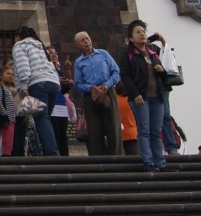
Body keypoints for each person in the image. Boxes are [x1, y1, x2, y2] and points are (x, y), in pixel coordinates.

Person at [118, 20, 171, 172]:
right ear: (131, 39)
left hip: (157, 97)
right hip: (141, 98)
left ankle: (160, 162)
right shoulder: (128, 55)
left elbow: (164, 76)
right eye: (138, 32)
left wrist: (161, 70)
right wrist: (135, 94)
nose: (142, 34)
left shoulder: (153, 53)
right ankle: (148, 162)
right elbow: (125, 76)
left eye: (143, 31)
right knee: (144, 130)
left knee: (156, 131)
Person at [11, 26, 60, 156]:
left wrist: (23, 87)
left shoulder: (20, 46)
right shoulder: (40, 46)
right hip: (54, 83)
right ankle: (50, 148)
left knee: (41, 119)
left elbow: (23, 68)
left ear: (19, 36)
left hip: (38, 83)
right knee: (46, 119)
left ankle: (51, 151)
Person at [73, 31, 122, 156]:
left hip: (107, 91)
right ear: (78, 45)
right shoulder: (79, 62)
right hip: (91, 96)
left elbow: (116, 72)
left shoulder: (103, 54)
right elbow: (77, 84)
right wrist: (91, 88)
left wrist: (107, 85)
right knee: (95, 130)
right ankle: (98, 159)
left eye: (87, 38)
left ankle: (116, 157)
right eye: (82, 40)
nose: (86, 42)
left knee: (113, 128)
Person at [148, 32, 182, 154]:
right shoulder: (134, 53)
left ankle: (170, 147)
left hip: (161, 88)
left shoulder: (154, 49)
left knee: (166, 116)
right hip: (147, 90)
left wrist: (162, 41)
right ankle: (154, 149)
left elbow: (167, 58)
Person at [46, 45, 71, 157]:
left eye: (55, 52)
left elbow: (65, 87)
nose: (54, 55)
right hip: (53, 106)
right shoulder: (46, 69)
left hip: (62, 105)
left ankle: (65, 157)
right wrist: (58, 81)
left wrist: (67, 69)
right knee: (55, 133)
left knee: (63, 135)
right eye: (51, 53)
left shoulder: (57, 70)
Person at [0, 65, 17, 156]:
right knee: (7, 143)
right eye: (8, 73)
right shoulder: (0, 88)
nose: (11, 76)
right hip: (7, 119)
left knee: (10, 142)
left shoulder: (7, 89)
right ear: (0, 76)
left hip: (11, 119)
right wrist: (5, 117)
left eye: (12, 74)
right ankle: (6, 158)